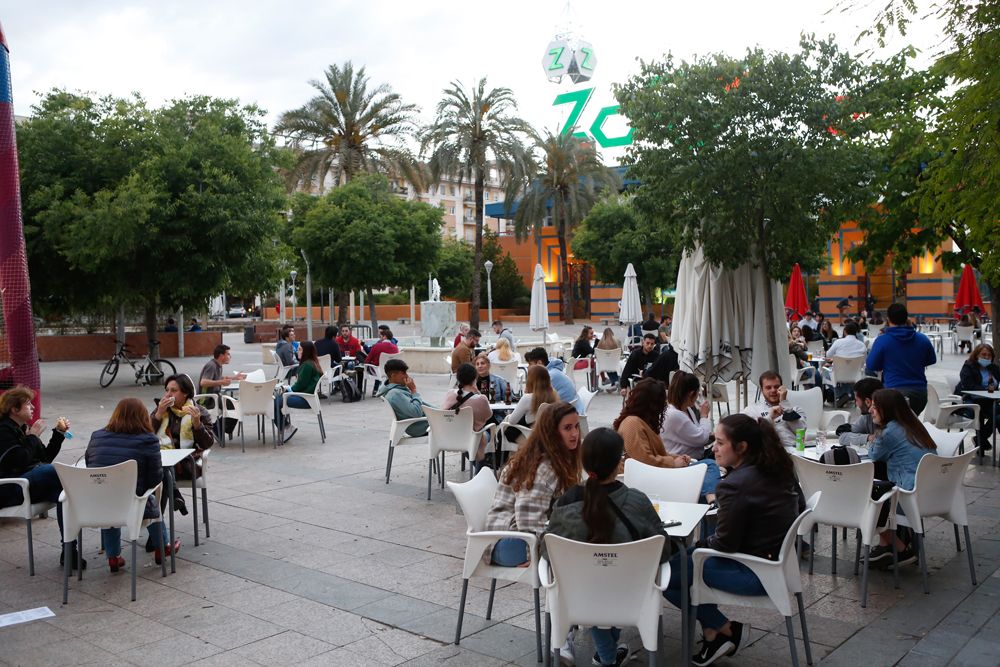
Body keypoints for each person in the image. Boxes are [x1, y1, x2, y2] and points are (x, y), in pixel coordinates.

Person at [664, 414, 802, 666]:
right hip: (775, 563)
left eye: (719, 442)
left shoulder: (735, 484)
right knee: (680, 565)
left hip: (753, 572)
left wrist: (698, 548)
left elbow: (725, 544)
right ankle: (714, 633)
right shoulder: (777, 467)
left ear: (742, 447)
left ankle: (723, 628)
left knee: (662, 576)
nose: (713, 448)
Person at [542, 428, 670, 667]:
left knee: (593, 578)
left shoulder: (567, 501)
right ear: (619, 462)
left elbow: (546, 550)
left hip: (579, 597)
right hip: (632, 595)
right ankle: (608, 657)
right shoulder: (637, 501)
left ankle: (608, 656)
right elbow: (663, 549)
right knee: (605, 578)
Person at [485, 402, 581, 567]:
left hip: (518, 536)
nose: (575, 434)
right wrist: (535, 555)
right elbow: (528, 520)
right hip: (510, 542)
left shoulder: (555, 458)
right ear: (552, 433)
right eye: (567, 428)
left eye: (577, 426)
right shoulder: (543, 469)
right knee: (576, 556)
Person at [86, 398, 178, 570]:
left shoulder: (97, 436)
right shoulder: (148, 440)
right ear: (143, 417)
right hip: (132, 504)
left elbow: (89, 464)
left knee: (109, 494)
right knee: (150, 496)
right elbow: (155, 478)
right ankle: (163, 546)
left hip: (99, 502)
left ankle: (113, 556)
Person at [0, 386, 81, 569]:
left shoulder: (22, 428)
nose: (33, 408)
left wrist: (58, 434)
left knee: (65, 495)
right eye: (28, 404)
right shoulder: (3, 430)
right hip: (10, 488)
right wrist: (33, 437)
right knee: (55, 471)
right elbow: (18, 461)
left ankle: (69, 551)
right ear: (14, 409)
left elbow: (44, 457)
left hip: (29, 481)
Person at [867, 388, 937, 567]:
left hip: (909, 495)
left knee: (866, 498)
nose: (870, 411)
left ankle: (900, 548)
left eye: (874, 407)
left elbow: (874, 455)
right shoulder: (914, 426)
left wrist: (874, 436)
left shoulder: (889, 432)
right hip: (934, 491)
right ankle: (885, 547)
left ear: (886, 410)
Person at [152, 374, 216, 513]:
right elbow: (146, 436)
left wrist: (198, 424)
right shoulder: (161, 409)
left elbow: (208, 443)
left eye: (173, 390)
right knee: (161, 471)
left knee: (160, 474)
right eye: (167, 390)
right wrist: (158, 415)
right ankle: (175, 496)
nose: (168, 394)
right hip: (162, 461)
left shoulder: (199, 411)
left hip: (187, 464)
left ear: (185, 393)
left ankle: (157, 526)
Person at [866, 303, 936, 414]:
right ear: (907, 318)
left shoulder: (883, 340)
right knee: (910, 424)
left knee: (894, 426)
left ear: (888, 319)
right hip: (919, 393)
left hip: (894, 393)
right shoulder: (922, 339)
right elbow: (932, 359)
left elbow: (871, 365)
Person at [614, 378, 690, 471]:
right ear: (654, 405)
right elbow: (643, 460)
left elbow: (656, 455)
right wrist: (673, 463)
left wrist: (679, 458)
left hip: (652, 473)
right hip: (645, 476)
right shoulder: (632, 424)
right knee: (708, 465)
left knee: (706, 464)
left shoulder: (641, 421)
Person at [441, 363, 493, 466]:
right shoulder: (480, 399)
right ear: (475, 378)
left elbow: (443, 412)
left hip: (449, 438)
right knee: (487, 434)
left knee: (476, 437)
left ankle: (480, 467)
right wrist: (477, 392)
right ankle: (481, 471)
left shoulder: (450, 394)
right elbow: (489, 415)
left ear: (458, 379)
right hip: (470, 439)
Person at [272, 341, 324, 443]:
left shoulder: (307, 365)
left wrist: (289, 389)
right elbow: (301, 385)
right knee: (277, 399)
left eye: (300, 349)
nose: (297, 351)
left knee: (276, 401)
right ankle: (286, 427)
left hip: (306, 399)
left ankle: (286, 428)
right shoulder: (312, 363)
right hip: (308, 397)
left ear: (306, 352)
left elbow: (299, 386)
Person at [742, 371, 807, 449]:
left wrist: (785, 405)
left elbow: (800, 432)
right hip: (767, 453)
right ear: (761, 390)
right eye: (768, 387)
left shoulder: (795, 409)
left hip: (794, 453)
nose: (773, 390)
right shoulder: (752, 410)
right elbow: (747, 433)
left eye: (776, 387)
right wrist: (769, 418)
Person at [955, 343, 1000, 453]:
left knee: (998, 416)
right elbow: (970, 387)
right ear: (976, 355)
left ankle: (980, 439)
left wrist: (994, 393)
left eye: (989, 355)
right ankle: (982, 441)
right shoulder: (968, 367)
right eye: (983, 354)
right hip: (971, 400)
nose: (986, 357)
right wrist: (988, 392)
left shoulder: (993, 368)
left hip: (989, 401)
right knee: (977, 410)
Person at [198, 344, 246, 437]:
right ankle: (216, 428)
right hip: (207, 399)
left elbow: (219, 378)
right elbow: (203, 382)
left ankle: (219, 428)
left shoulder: (218, 365)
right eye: (228, 354)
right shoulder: (211, 365)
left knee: (235, 404)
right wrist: (221, 382)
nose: (229, 356)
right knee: (234, 405)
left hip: (215, 396)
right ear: (221, 355)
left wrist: (235, 377)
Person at [375, 359, 430, 437]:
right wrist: (414, 391)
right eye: (404, 373)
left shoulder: (397, 389)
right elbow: (416, 413)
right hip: (424, 426)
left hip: (429, 421)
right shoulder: (395, 394)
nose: (407, 376)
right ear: (393, 376)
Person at [505, 365, 559, 441]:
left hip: (529, 436)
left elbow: (512, 421)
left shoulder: (528, 398)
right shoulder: (554, 395)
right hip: (548, 436)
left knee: (504, 428)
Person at [823, 320, 868, 406]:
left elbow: (828, 354)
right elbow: (864, 361)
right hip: (855, 374)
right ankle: (848, 394)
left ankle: (842, 394)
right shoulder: (862, 345)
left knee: (824, 372)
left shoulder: (838, 342)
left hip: (838, 374)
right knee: (847, 377)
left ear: (845, 331)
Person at [837, 377, 883, 447]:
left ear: (867, 401)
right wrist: (868, 437)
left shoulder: (893, 423)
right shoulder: (867, 417)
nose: (856, 404)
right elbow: (843, 438)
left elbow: (877, 452)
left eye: (857, 400)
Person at [365, 328, 400, 395]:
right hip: (391, 371)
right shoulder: (395, 348)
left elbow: (367, 360)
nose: (379, 337)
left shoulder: (376, 346)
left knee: (375, 366)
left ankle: (375, 390)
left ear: (385, 336)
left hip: (377, 371)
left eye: (381, 335)